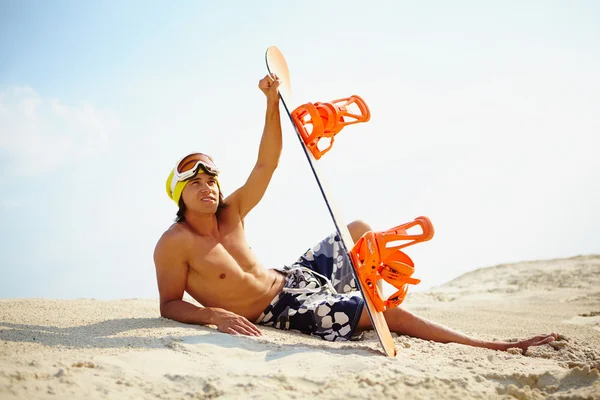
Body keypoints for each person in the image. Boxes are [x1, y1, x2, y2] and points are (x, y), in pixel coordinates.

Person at [153, 74, 557, 352]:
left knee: (360, 229)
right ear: (179, 195)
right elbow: (169, 304)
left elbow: (266, 165)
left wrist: (271, 103)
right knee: (387, 314)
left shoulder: (232, 213)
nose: (207, 189)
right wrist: (213, 316)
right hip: (282, 310)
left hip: (293, 275)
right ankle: (492, 344)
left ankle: (367, 291)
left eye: (211, 182)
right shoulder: (174, 245)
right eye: (195, 184)